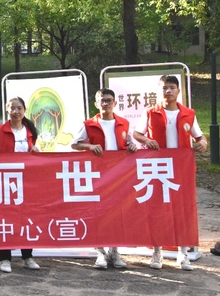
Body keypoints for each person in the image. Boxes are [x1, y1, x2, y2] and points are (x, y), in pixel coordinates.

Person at [132, 75, 207, 271]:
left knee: (182, 211)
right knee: (157, 211)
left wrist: (203, 143)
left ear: (178, 91)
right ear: (160, 91)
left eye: (172, 87)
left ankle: (183, 253)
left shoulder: (188, 114)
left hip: (182, 170)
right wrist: (147, 141)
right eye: (165, 88)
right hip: (158, 170)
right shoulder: (151, 112)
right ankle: (157, 252)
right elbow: (137, 134)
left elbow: (200, 137)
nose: (168, 91)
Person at [71, 88, 137, 269]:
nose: (106, 103)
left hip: (118, 176)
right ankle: (100, 252)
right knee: (98, 213)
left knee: (117, 213)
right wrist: (90, 146)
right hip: (97, 176)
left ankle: (114, 251)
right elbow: (74, 145)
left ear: (115, 103)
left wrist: (132, 147)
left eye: (109, 100)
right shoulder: (89, 124)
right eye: (102, 100)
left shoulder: (124, 123)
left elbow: (130, 143)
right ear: (96, 104)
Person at [0, 96, 42, 273]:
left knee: (26, 219)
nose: (16, 112)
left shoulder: (31, 131)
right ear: (7, 110)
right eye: (12, 108)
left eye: (19, 108)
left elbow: (37, 155)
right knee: (5, 220)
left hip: (26, 183)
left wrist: (36, 151)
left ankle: (27, 256)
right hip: (5, 183)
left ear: (25, 110)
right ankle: (5, 258)